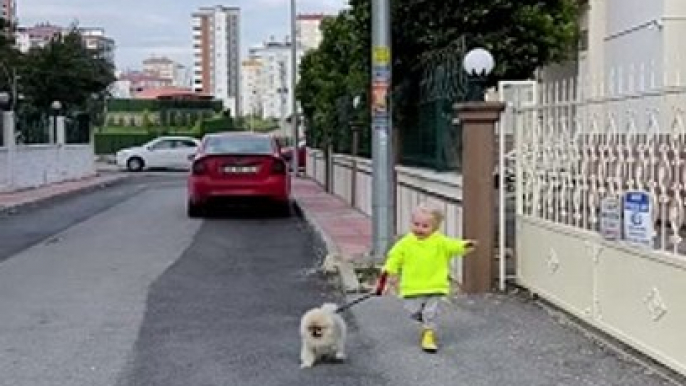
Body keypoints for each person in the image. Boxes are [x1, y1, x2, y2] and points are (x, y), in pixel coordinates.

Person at [374, 202, 477, 353]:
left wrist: (465, 245)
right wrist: (390, 271)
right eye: (416, 224)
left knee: (430, 312)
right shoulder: (405, 243)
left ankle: (429, 334)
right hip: (412, 286)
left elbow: (453, 245)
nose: (419, 229)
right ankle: (425, 321)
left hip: (435, 284)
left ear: (434, 228)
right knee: (413, 311)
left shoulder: (440, 241)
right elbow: (394, 257)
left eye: (425, 226)